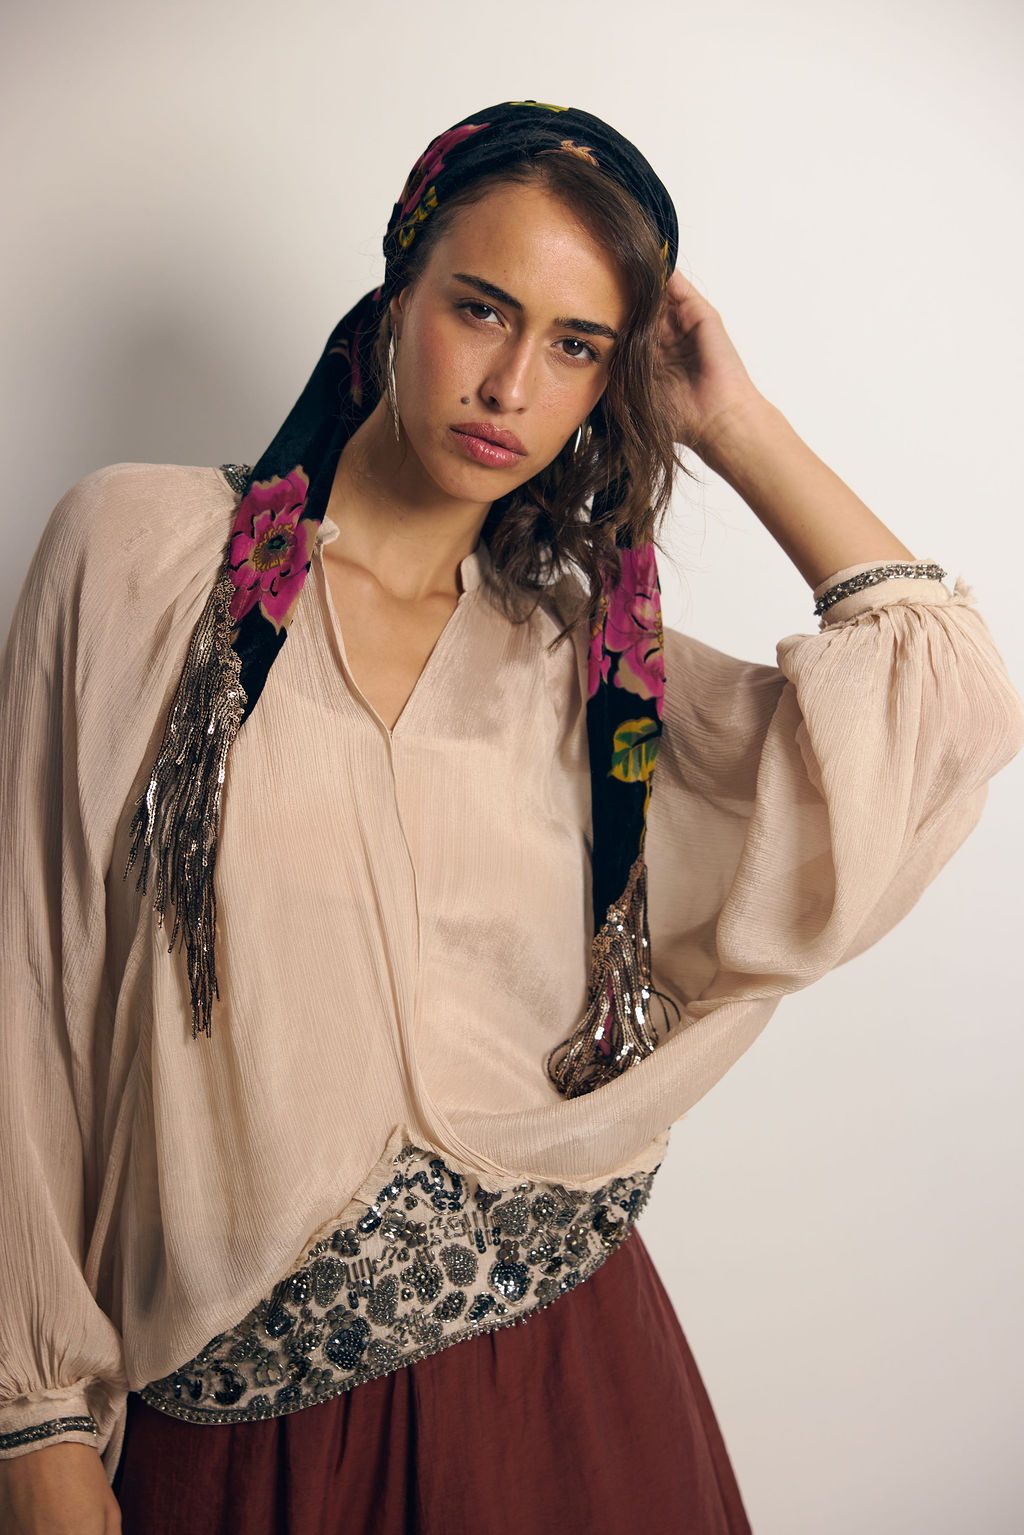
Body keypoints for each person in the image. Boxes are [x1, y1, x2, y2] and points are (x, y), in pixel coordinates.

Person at [0, 100, 1020, 1535]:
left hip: (573, 1397)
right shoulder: (138, 555)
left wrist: (735, 422)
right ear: (398, 290)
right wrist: (31, 1416)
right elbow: (28, 978)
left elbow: (948, 709)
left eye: (578, 345)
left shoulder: (587, 669)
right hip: (251, 1439)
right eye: (481, 308)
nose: (511, 385)